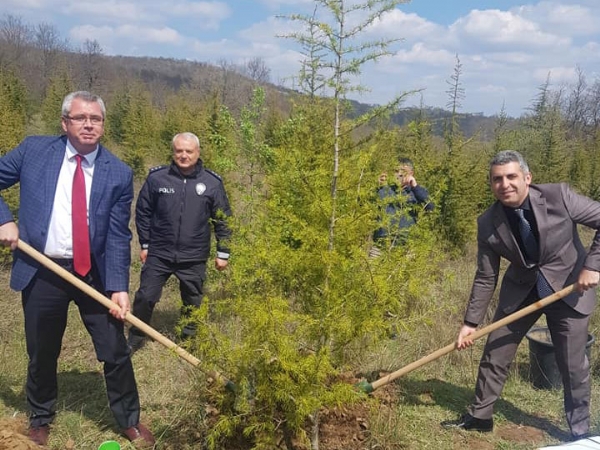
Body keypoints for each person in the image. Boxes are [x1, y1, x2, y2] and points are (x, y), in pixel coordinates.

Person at [0, 91, 155, 447]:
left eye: (96, 118)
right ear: (65, 122)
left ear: (102, 124)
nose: (89, 124)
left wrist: (118, 286)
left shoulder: (117, 172)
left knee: (114, 349)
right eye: (81, 117)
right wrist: (4, 220)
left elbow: (118, 235)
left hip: (94, 275)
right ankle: (40, 416)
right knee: (42, 349)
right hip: (42, 269)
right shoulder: (34, 151)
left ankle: (129, 419)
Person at [442, 150, 600, 439]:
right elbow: (486, 276)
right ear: (491, 184)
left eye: (511, 176)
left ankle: (579, 431)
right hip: (522, 291)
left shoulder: (559, 196)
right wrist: (470, 323)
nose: (505, 184)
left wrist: (592, 266)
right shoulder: (488, 222)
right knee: (495, 351)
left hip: (569, 288)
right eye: (497, 179)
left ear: (527, 178)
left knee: (572, 364)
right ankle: (480, 416)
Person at [127, 131, 232, 352]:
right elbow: (143, 212)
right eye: (179, 151)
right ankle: (137, 334)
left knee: (192, 301)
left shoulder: (211, 183)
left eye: (188, 151)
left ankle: (188, 338)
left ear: (198, 152)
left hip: (193, 255)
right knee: (145, 296)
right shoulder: (157, 178)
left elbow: (223, 219)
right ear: (173, 152)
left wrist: (223, 253)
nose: (183, 155)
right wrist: (145, 244)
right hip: (159, 253)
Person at [371, 157, 433, 255]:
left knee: (405, 270)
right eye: (396, 171)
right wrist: (375, 186)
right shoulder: (384, 189)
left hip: (406, 248)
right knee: (371, 270)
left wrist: (415, 187)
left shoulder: (417, 193)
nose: (399, 174)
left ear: (411, 174)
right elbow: (362, 204)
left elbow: (430, 207)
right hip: (380, 245)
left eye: (403, 171)